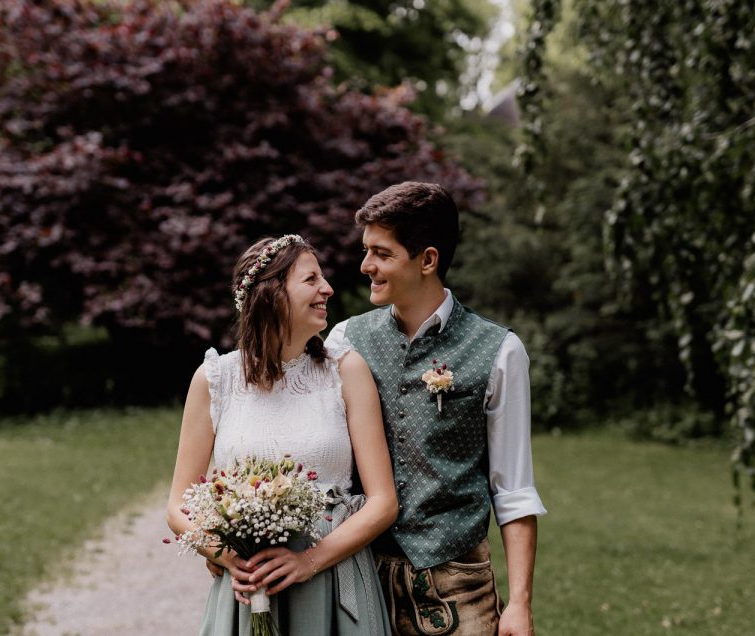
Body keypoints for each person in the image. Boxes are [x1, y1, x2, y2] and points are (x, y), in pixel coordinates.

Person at [324, 182, 547, 636]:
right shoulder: (344, 340)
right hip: (362, 580)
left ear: (427, 260)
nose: (365, 265)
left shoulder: (500, 351)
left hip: (458, 586)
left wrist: (520, 603)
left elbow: (514, 487)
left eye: (381, 253)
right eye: (366, 250)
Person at [167, 235, 398, 635]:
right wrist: (228, 559)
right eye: (311, 280)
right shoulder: (215, 379)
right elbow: (177, 507)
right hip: (248, 586)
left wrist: (308, 561)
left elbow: (383, 502)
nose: (327, 288)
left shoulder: (345, 371)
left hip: (331, 579)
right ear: (271, 294)